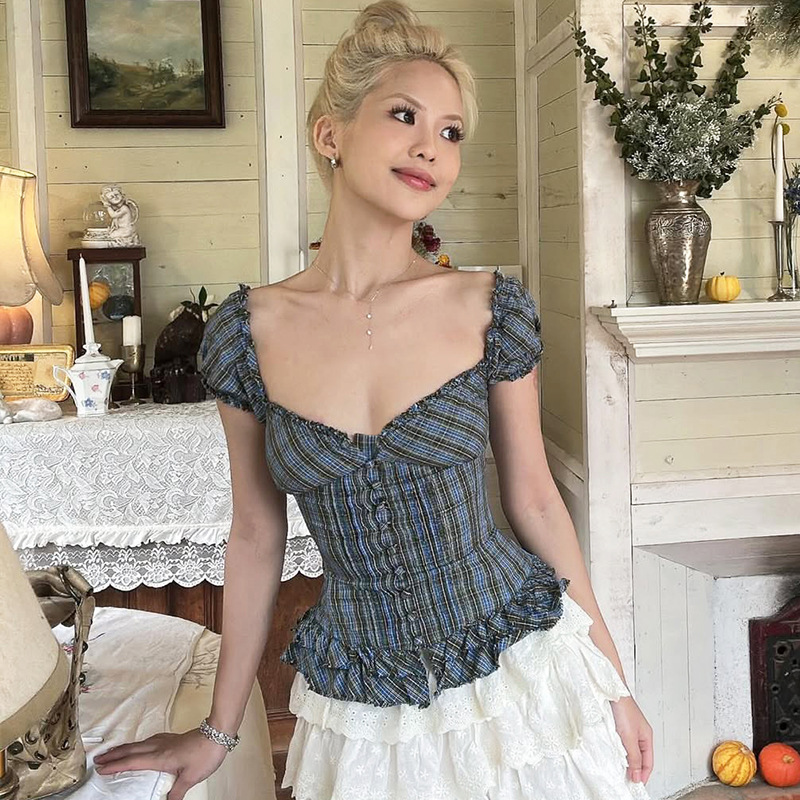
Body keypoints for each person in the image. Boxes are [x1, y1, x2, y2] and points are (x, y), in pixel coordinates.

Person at [93, 2, 655, 798]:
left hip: (521, 685)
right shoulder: (244, 334)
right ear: (331, 134)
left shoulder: (490, 308)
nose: (431, 146)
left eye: (451, 132)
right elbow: (255, 534)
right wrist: (217, 733)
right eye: (404, 116)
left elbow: (534, 500)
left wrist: (613, 682)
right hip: (365, 714)